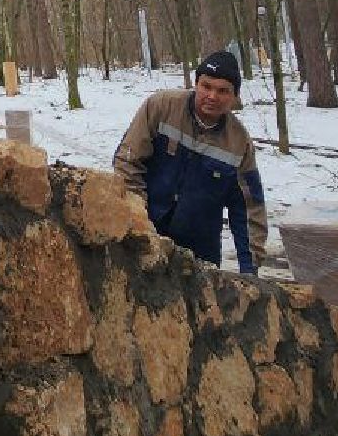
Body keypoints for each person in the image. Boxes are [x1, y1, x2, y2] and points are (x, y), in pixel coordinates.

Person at [113, 50, 269, 274]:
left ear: (234, 97)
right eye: (206, 86)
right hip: (144, 235)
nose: (212, 96)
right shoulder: (160, 107)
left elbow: (248, 208)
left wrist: (249, 268)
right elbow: (127, 163)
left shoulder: (238, 143)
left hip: (200, 254)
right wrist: (138, 222)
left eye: (223, 90)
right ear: (196, 84)